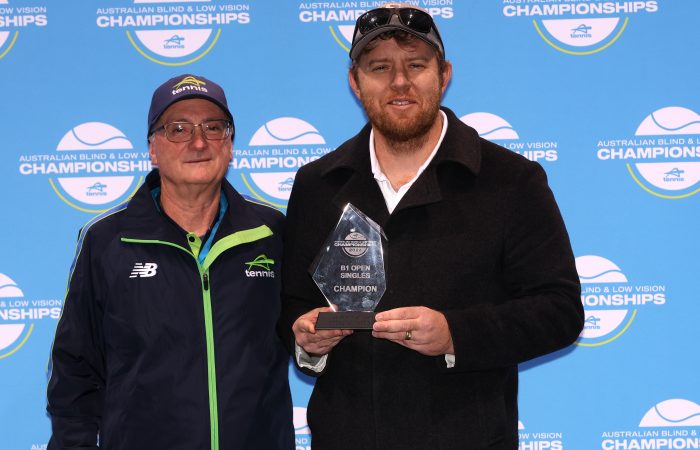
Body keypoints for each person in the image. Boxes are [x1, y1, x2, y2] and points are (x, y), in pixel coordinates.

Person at [278, 4, 584, 449]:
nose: (399, 82)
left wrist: (455, 333)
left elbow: (560, 311)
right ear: (355, 82)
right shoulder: (317, 185)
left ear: (444, 75)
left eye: (416, 65)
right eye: (379, 68)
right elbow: (293, 306)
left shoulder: (510, 180)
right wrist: (306, 340)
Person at [47, 74, 294, 450]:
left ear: (230, 145)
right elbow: (74, 371)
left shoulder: (271, 231)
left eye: (213, 128)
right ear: (152, 148)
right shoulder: (107, 240)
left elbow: (305, 337)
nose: (198, 142)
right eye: (178, 129)